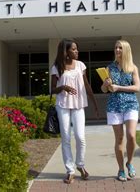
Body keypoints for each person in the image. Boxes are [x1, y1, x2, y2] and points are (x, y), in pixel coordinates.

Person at [51, 38, 99, 184]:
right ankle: (70, 170)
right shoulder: (57, 67)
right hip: (63, 105)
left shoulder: (80, 65)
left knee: (80, 137)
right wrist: (63, 87)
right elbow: (52, 89)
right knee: (66, 137)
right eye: (73, 49)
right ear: (66, 51)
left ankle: (80, 165)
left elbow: (86, 84)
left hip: (78, 104)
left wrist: (95, 104)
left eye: (77, 49)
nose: (77, 51)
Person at [101, 40, 140, 182]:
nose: (117, 50)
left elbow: (137, 88)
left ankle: (129, 162)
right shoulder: (110, 68)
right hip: (114, 106)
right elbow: (105, 89)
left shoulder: (133, 68)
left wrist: (119, 87)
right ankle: (121, 170)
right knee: (119, 139)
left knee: (131, 135)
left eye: (120, 48)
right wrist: (105, 85)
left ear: (126, 50)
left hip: (130, 104)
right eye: (116, 47)